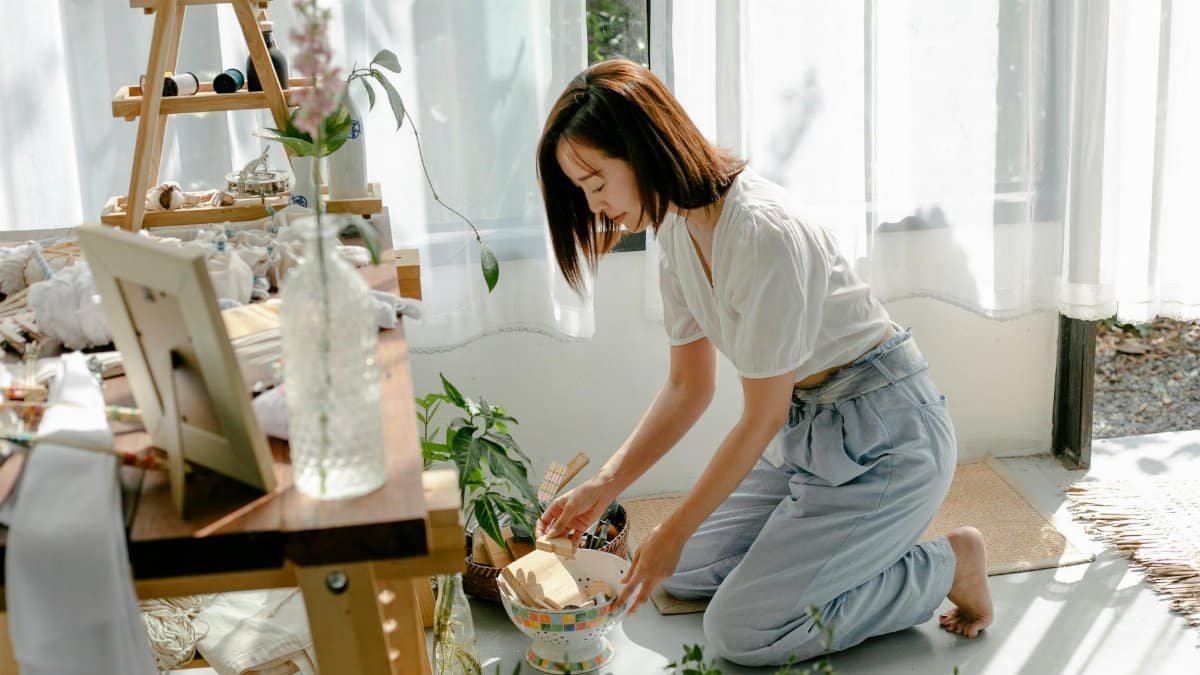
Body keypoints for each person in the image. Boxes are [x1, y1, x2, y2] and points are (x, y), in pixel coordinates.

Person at [533, 59, 993, 667]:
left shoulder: (762, 233)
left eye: (597, 183)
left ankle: (947, 563)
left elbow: (760, 417)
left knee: (741, 633)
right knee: (680, 570)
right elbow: (687, 386)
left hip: (889, 442)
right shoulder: (675, 227)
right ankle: (816, 538)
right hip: (808, 441)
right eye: (583, 193)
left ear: (643, 148)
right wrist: (605, 483)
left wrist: (674, 529)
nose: (596, 208)